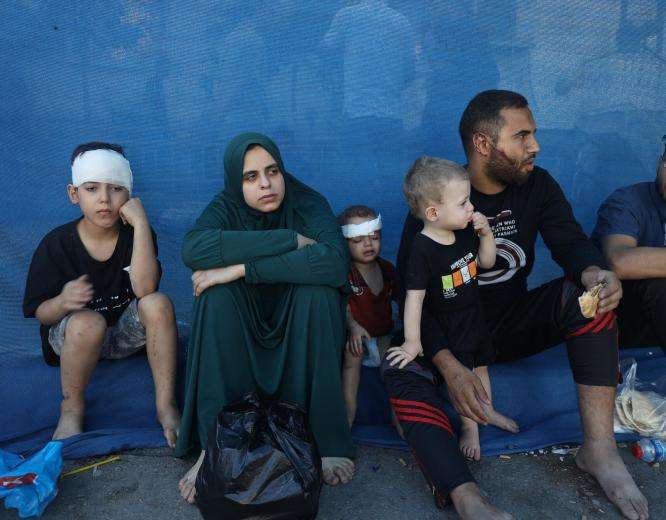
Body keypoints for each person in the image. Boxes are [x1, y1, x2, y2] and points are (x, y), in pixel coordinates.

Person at [387, 90, 648, 520]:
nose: (535, 146)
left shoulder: (538, 185)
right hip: (451, 332)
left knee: (588, 298)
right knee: (400, 367)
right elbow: (412, 300)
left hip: (510, 324)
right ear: (483, 143)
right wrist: (449, 366)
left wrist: (595, 273)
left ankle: (598, 451)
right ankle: (465, 495)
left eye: (534, 134)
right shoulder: (436, 204)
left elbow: (571, 242)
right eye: (522, 135)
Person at [176, 133, 355, 504]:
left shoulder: (308, 202)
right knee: (215, 297)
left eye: (272, 171)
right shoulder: (225, 207)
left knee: (319, 293)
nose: (265, 184)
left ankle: (325, 438)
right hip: (244, 318)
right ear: (235, 180)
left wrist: (240, 268)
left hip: (297, 317)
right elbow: (194, 249)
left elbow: (334, 264)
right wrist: (288, 239)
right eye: (251, 176)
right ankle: (215, 447)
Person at [22, 142, 180, 447]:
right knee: (87, 322)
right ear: (74, 194)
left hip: (122, 335)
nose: (105, 199)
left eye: (116, 189)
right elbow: (39, 311)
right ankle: (71, 409)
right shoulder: (56, 244)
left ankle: (166, 406)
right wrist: (62, 302)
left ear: (129, 195)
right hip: (75, 337)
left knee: (159, 303)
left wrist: (142, 223)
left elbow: (145, 290)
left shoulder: (136, 235)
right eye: (92, 189)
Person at [386, 157, 518, 462]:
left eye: (469, 200)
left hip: (473, 314)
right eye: (463, 203)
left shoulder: (464, 231)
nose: (471, 208)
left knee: (481, 366)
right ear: (434, 213)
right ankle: (470, 427)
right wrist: (412, 341)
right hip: (447, 324)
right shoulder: (422, 248)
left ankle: (487, 410)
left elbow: (486, 263)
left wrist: (487, 235)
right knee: (465, 372)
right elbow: (414, 298)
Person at [592, 139, 666, 354]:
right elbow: (620, 261)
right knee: (659, 284)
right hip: (627, 320)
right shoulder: (628, 201)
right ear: (658, 164)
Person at [339, 205, 398, 427]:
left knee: (393, 361)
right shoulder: (346, 272)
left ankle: (398, 415)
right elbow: (341, 304)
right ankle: (348, 412)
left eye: (374, 237)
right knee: (352, 353)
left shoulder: (386, 269)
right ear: (345, 243)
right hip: (357, 337)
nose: (368, 244)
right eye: (358, 240)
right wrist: (353, 326)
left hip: (383, 335)